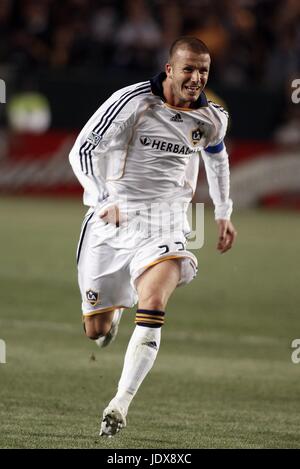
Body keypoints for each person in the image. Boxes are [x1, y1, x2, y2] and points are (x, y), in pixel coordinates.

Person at [69, 36, 237, 437]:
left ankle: (119, 403)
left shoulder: (212, 118)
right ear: (170, 69)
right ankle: (111, 317)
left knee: (157, 298)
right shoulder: (130, 102)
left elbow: (218, 158)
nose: (196, 78)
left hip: (167, 223)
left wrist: (224, 212)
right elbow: (83, 150)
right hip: (113, 220)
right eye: (189, 69)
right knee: (95, 330)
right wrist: (102, 197)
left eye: (204, 71)